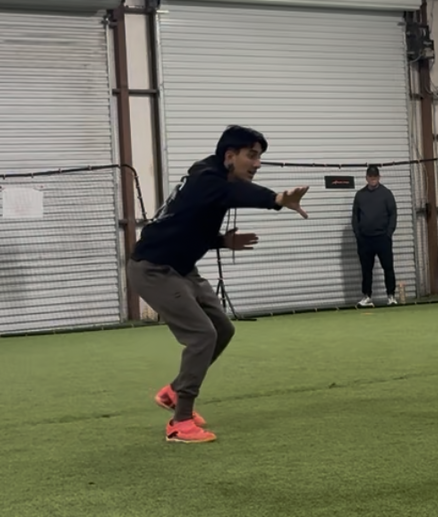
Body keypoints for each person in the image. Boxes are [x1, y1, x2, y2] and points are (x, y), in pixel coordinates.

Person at [128, 125, 310, 443]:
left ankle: (173, 392)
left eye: (259, 157)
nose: (257, 164)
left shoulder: (212, 177)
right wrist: (277, 199)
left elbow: (185, 226)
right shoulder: (207, 179)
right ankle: (179, 422)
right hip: (153, 269)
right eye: (251, 156)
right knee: (202, 335)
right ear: (230, 156)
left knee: (223, 330)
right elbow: (233, 194)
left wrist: (223, 242)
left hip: (183, 267)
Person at [351, 164, 400, 306]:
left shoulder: (387, 194)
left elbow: (393, 214)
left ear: (379, 177)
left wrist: (388, 233)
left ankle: (391, 296)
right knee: (366, 269)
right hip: (365, 239)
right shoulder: (360, 195)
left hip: (382, 238)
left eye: (375, 177)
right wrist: (358, 234)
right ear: (366, 178)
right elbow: (355, 215)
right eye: (370, 177)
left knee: (388, 267)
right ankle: (367, 296)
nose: (373, 179)